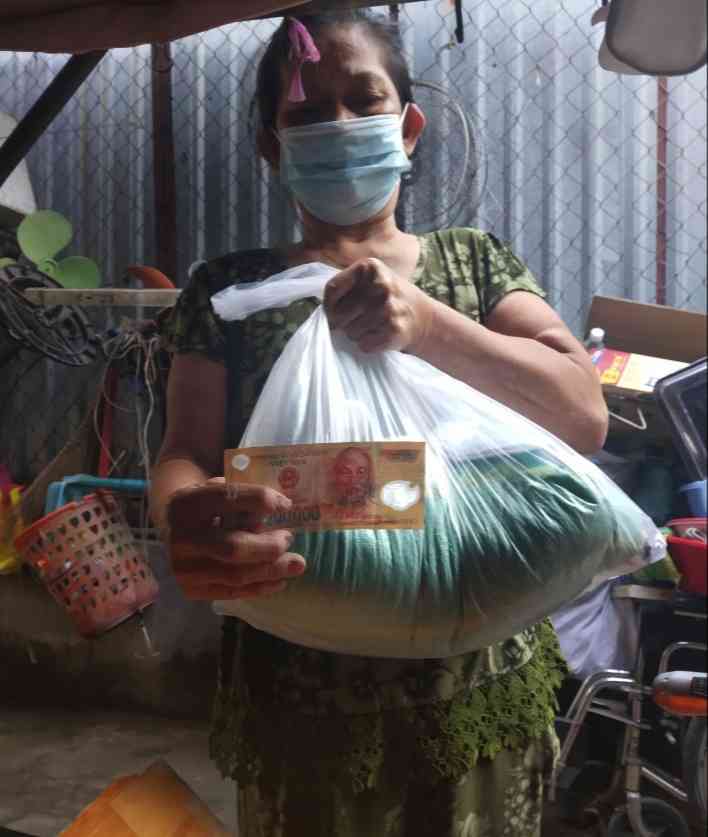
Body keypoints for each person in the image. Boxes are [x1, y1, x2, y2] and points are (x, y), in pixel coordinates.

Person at [152, 10, 608, 837]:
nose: (338, 125)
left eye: (363, 100)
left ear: (408, 125)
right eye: (306, 112)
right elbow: (183, 452)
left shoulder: (472, 265)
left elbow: (583, 413)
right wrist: (181, 513)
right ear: (272, 147)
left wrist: (429, 325)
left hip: (475, 685)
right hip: (302, 694)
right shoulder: (227, 293)